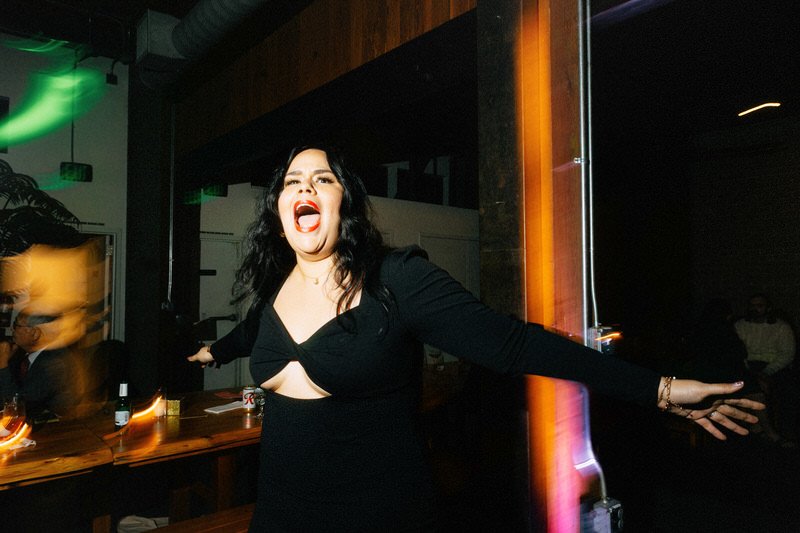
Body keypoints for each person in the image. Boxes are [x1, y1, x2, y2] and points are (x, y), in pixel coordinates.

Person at [188, 145, 763, 532]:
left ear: (345, 203)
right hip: (280, 517)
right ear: (280, 207)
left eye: (323, 179)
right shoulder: (272, 291)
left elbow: (515, 344)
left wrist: (657, 389)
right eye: (293, 181)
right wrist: (214, 351)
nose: (305, 187)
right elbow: (254, 332)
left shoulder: (398, 280)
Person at [734, 293, 796, 445]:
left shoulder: (781, 327)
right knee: (745, 385)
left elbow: (787, 354)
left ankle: (775, 428)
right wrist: (750, 370)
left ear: (768, 308)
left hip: (774, 366)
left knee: (785, 388)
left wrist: (766, 372)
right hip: (748, 366)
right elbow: (736, 352)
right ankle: (760, 427)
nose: (756, 309)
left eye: (760, 306)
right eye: (752, 306)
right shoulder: (740, 326)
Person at [0, 310, 82, 421]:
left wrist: (3, 364)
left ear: (35, 333)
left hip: (51, 429)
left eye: (16, 325)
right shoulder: (29, 353)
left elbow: (17, 406)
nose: (12, 330)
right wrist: (8, 361)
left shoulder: (53, 364)